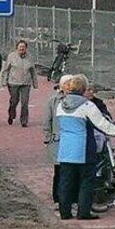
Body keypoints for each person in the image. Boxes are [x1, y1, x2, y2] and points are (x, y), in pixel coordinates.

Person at [56, 74, 115, 220]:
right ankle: (83, 212)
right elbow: (103, 125)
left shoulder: (61, 105)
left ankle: (65, 212)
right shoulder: (87, 105)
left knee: (66, 181)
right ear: (83, 89)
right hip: (84, 148)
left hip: (65, 148)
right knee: (86, 181)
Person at [44, 74, 72, 204]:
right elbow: (47, 120)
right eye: (67, 84)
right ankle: (57, 195)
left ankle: (69, 195)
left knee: (70, 170)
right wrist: (48, 137)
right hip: (57, 140)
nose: (70, 86)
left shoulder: (77, 100)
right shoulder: (53, 101)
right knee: (59, 169)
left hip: (71, 139)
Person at [0, 39, 37, 127]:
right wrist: (4, 81)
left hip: (26, 83)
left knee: (24, 102)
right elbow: (6, 70)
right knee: (14, 101)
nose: (21, 48)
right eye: (20, 47)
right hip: (13, 82)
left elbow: (33, 71)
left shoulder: (30, 57)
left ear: (26, 48)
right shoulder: (11, 56)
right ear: (17, 48)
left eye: (23, 47)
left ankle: (24, 120)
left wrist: (35, 83)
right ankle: (11, 114)